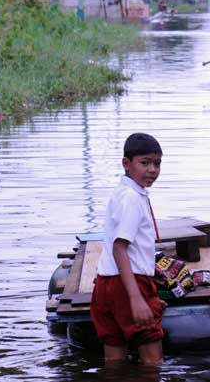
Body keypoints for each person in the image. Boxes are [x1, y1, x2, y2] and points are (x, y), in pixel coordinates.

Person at [90, 133, 165, 365]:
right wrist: (137, 298)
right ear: (126, 163)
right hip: (130, 283)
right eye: (145, 163)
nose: (152, 169)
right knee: (152, 362)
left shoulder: (121, 193)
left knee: (114, 363)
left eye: (157, 163)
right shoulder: (132, 198)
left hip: (105, 285)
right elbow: (119, 248)